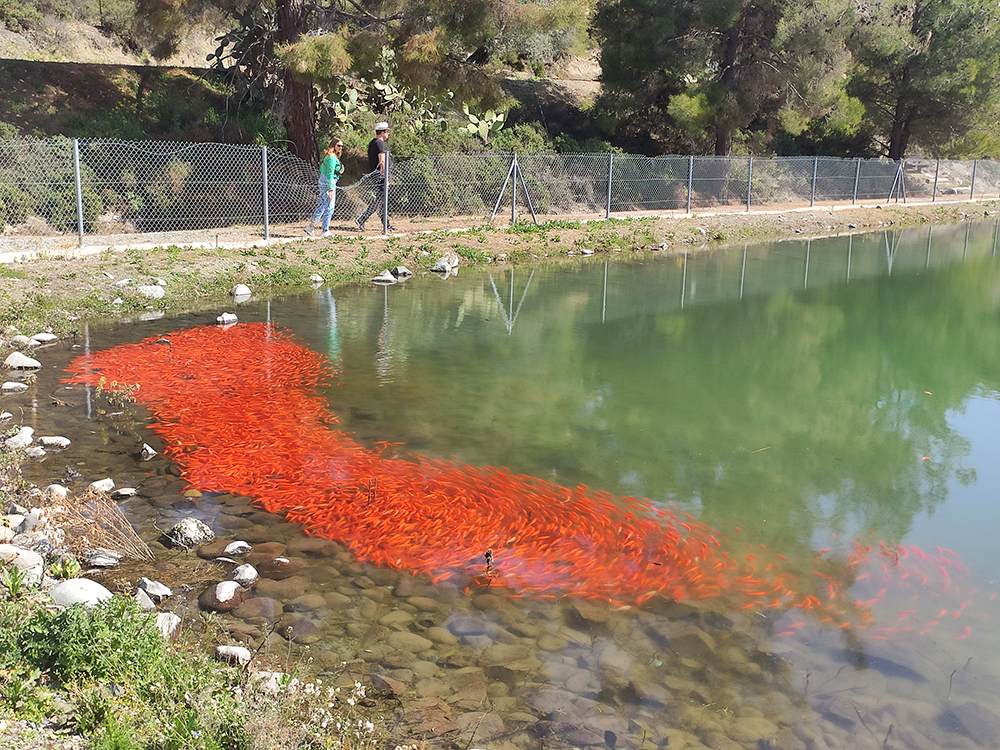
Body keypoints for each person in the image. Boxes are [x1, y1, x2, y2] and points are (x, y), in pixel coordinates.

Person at [356, 122, 396, 232]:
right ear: (382, 132)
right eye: (387, 131)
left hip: (377, 176)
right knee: (379, 200)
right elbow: (382, 161)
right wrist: (385, 177)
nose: (388, 134)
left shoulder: (373, 143)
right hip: (381, 177)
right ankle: (362, 219)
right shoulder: (380, 144)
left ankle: (386, 224)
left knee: (382, 201)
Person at [305, 139, 345, 237]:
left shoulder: (330, 157)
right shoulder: (331, 158)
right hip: (328, 182)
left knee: (322, 205)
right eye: (338, 145)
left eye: (342, 146)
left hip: (324, 181)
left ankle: (311, 227)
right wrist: (330, 188)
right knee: (329, 207)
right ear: (333, 145)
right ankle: (325, 230)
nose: (340, 148)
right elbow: (330, 174)